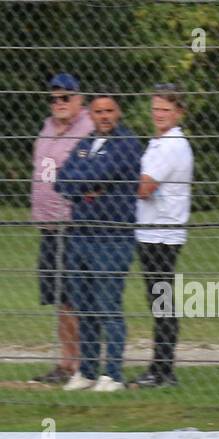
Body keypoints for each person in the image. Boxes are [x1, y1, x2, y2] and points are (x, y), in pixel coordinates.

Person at [54, 94, 143, 392]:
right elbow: (61, 180)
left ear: (118, 113)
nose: (104, 116)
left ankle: (114, 374)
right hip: (81, 234)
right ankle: (88, 371)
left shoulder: (127, 144)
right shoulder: (85, 144)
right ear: (90, 115)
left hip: (112, 235)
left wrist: (84, 184)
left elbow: (99, 173)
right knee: (84, 305)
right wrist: (88, 187)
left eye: (109, 111)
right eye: (98, 111)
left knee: (108, 305)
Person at [28, 72, 93, 385]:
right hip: (50, 225)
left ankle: (82, 363)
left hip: (75, 224)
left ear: (79, 99)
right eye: (55, 98)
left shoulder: (87, 128)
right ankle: (66, 363)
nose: (59, 103)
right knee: (60, 296)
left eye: (66, 97)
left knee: (77, 295)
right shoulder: (47, 127)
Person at [134, 83, 193, 388]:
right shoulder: (158, 142)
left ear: (178, 112)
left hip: (162, 233)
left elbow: (145, 187)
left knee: (162, 302)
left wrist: (122, 181)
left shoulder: (172, 144)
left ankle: (163, 370)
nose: (159, 114)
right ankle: (158, 367)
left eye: (165, 110)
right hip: (151, 230)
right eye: (155, 108)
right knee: (159, 301)